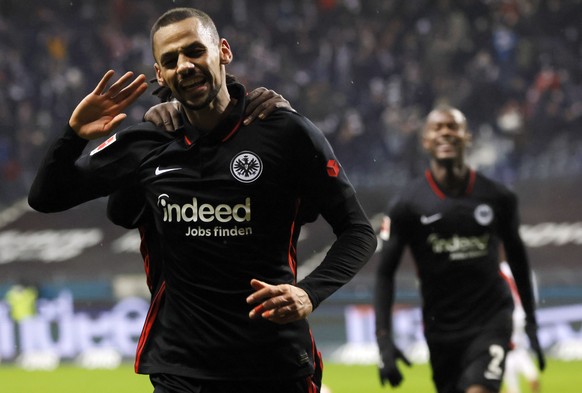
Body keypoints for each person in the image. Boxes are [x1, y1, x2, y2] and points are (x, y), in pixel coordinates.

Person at [28, 7, 377, 393]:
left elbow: (358, 230)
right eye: (171, 60)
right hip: (182, 372)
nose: (185, 65)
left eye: (195, 51)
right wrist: (74, 133)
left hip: (275, 364)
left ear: (223, 51)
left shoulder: (285, 131)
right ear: (160, 74)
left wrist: (310, 292)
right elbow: (46, 197)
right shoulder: (145, 142)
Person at [373, 105, 544, 393]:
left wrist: (530, 321)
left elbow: (518, 260)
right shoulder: (407, 205)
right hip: (441, 328)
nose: (446, 133)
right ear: (425, 141)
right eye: (437, 128)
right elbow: (384, 275)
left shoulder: (498, 197)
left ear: (467, 137)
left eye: (453, 127)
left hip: (491, 319)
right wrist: (384, 341)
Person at [499, 260, 541, 393]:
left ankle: (513, 388)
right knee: (517, 348)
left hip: (508, 314)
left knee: (507, 350)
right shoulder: (522, 269)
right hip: (522, 313)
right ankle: (531, 374)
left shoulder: (499, 268)